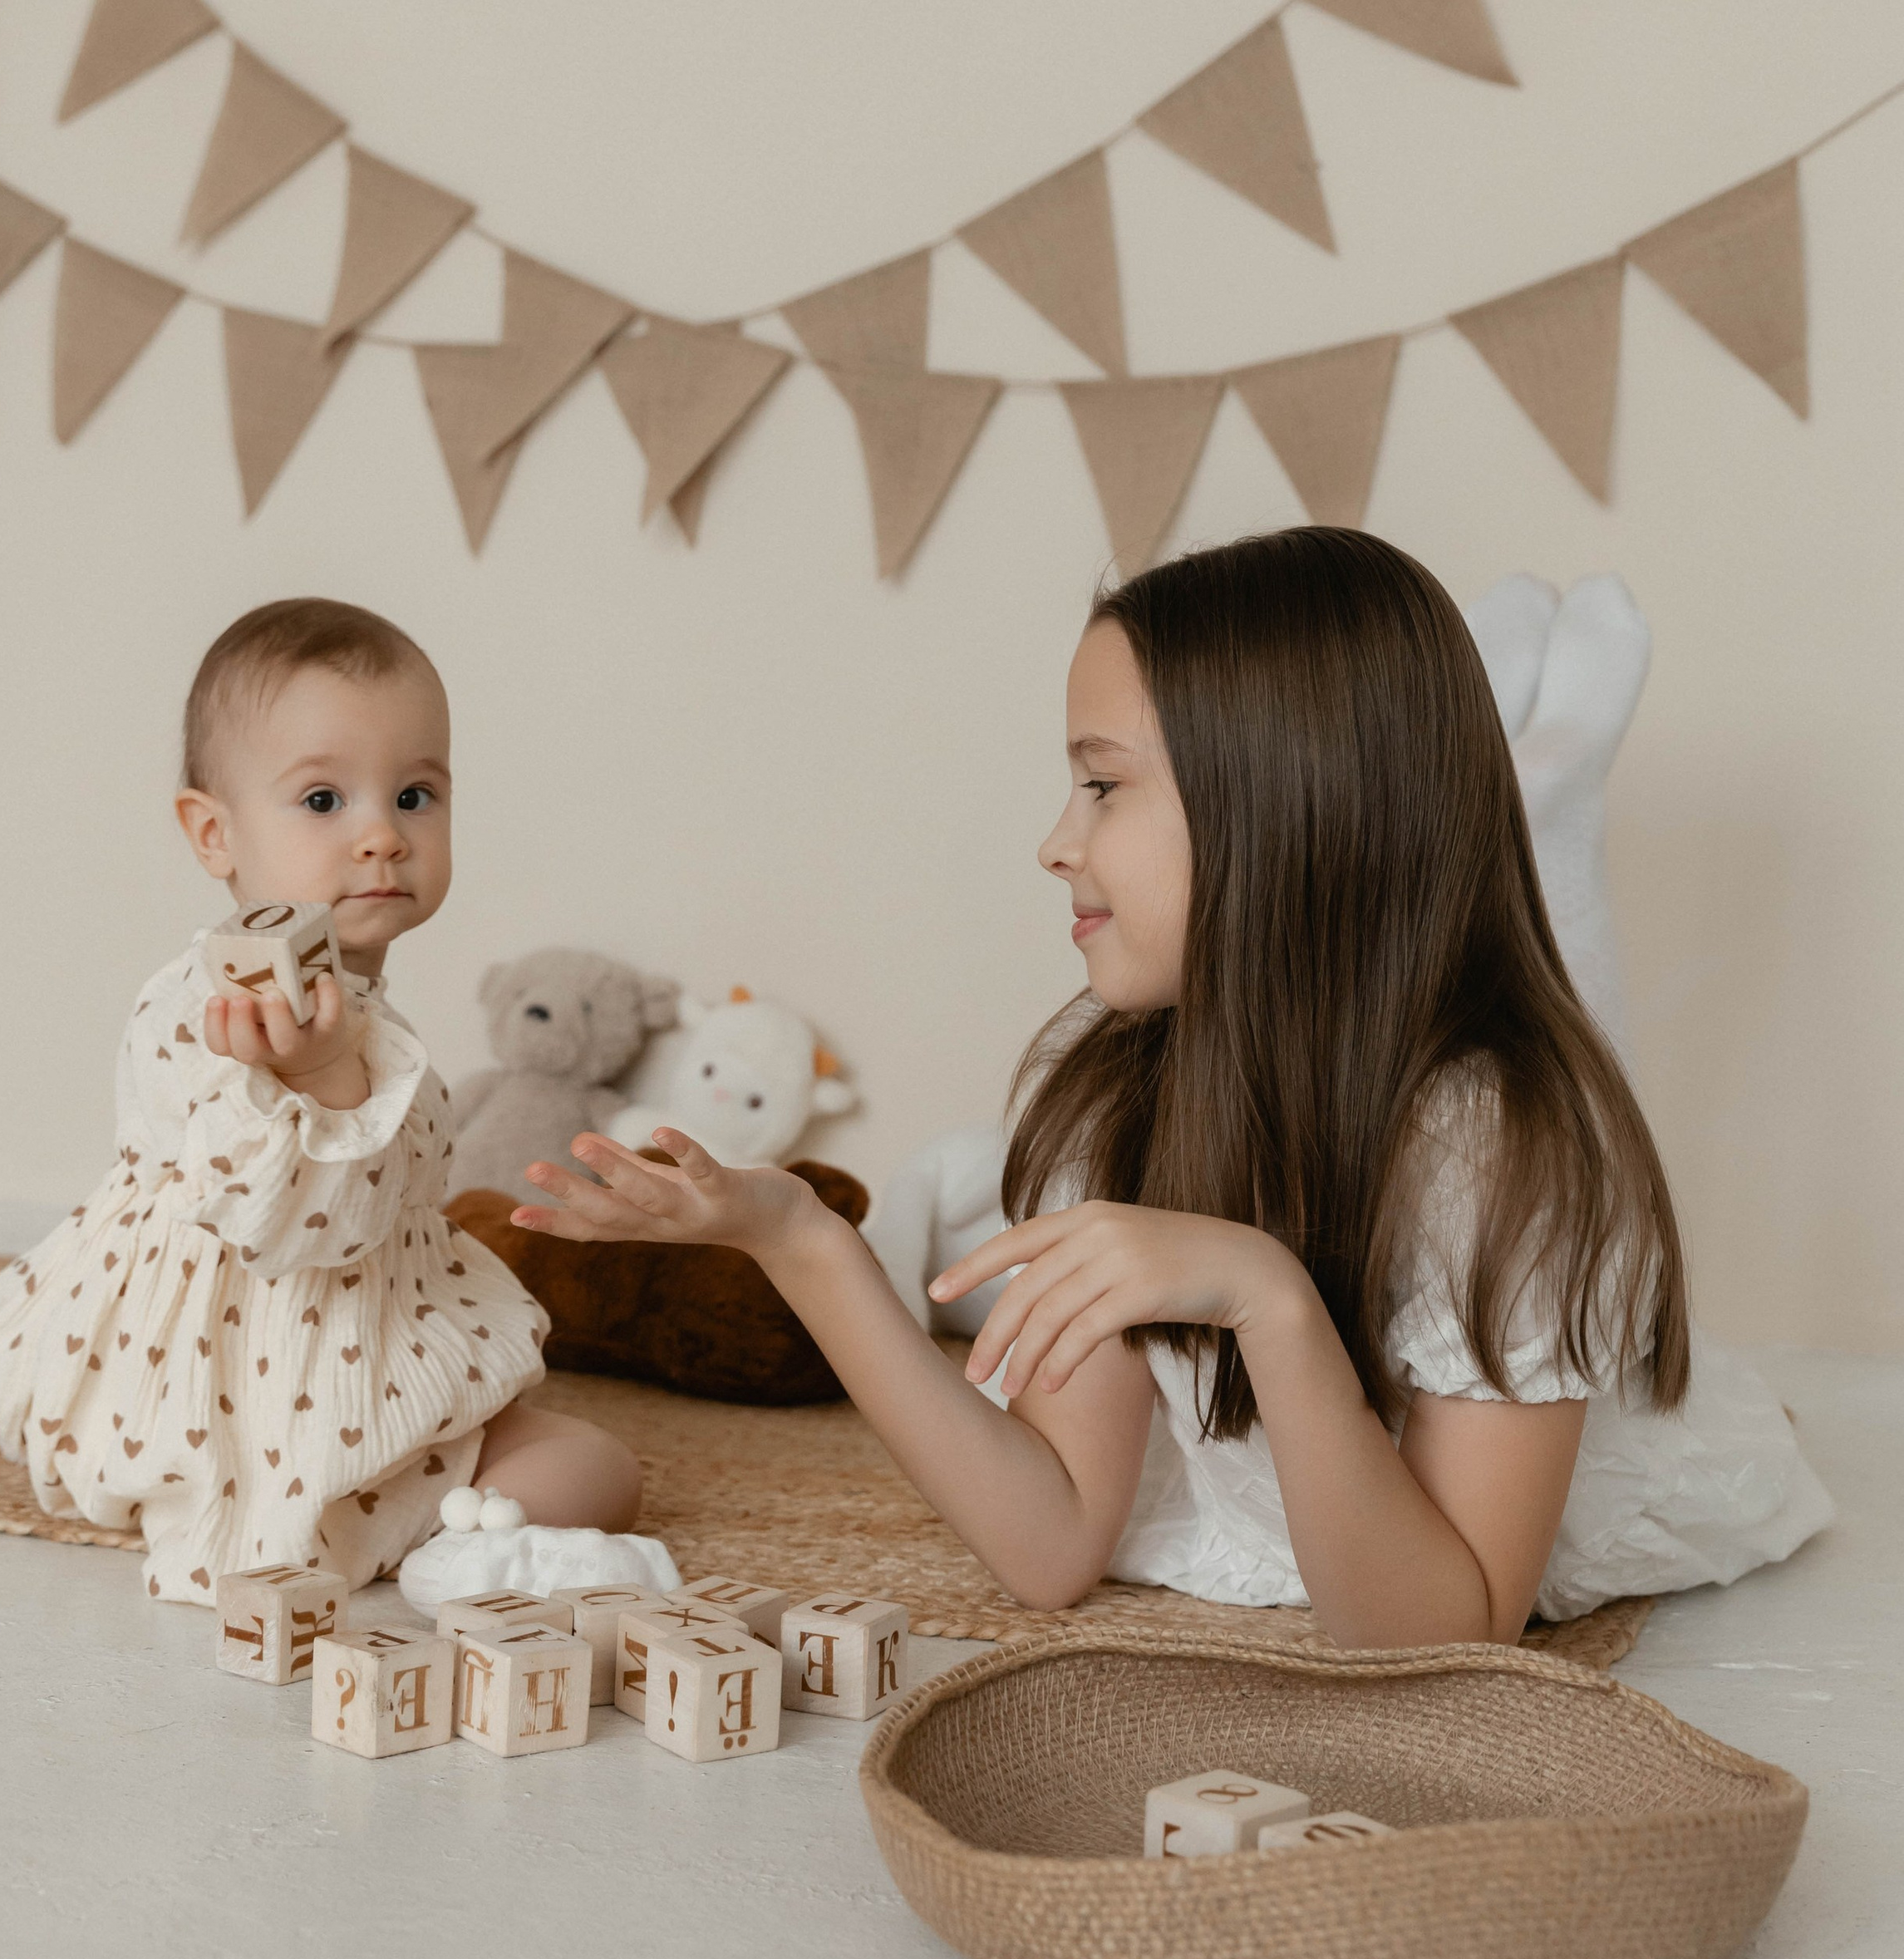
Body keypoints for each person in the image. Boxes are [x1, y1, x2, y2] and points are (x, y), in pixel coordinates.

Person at [514, 530, 1830, 1646]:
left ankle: (1549, 794)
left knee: (1558, 1024)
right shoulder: (1116, 1082)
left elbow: (1444, 1633)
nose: (1055, 841)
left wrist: (1267, 1296)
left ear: (1284, 814)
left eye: (1103, 785)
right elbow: (1048, 1543)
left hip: (1495, 1481)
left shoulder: (1506, 1156)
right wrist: (796, 1238)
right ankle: (1540, 788)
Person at [0, 597, 642, 1603]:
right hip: (256, 1350)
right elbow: (282, 1226)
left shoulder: (345, 992)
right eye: (324, 802)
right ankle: (416, 1531)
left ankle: (444, 1518)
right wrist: (316, 1082)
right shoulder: (224, 1010)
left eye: (415, 796)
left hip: (364, 1311)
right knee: (592, 1471)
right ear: (213, 833)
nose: (381, 838)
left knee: (587, 1464)